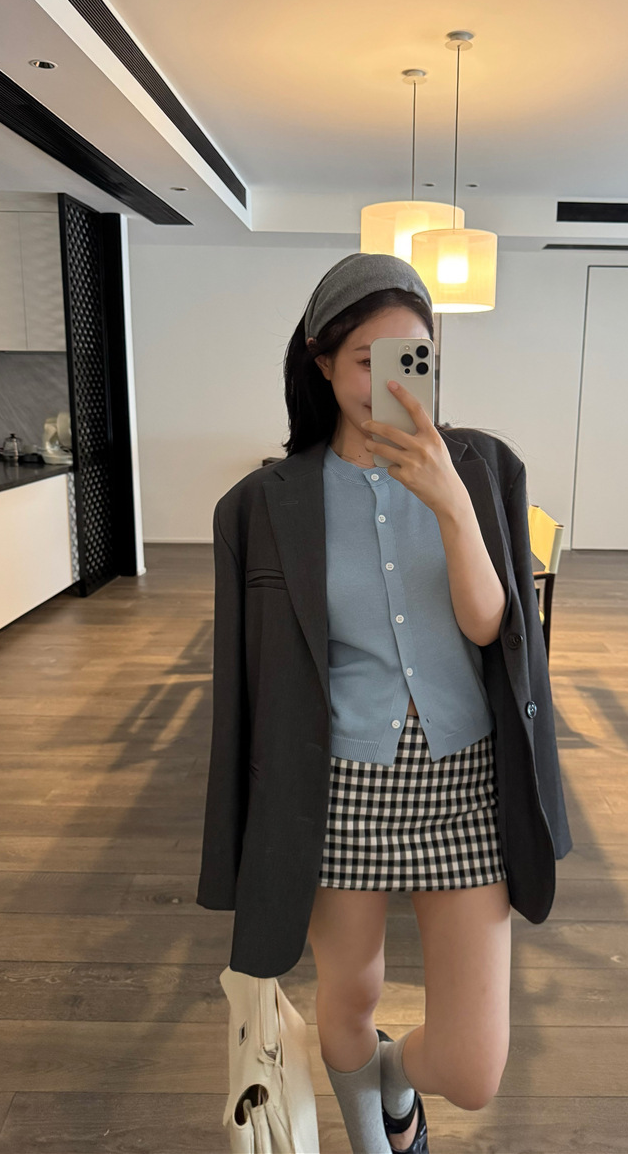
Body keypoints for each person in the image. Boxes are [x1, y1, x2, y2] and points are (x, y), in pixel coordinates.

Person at [197, 253, 572, 1154]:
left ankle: (396, 1076)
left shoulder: (485, 468)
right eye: (366, 359)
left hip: (464, 779)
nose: (388, 382)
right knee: (349, 998)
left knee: (475, 1067)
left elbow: (494, 626)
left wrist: (450, 505)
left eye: (413, 357)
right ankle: (378, 1139)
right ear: (322, 360)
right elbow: (243, 687)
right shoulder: (261, 504)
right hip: (338, 783)